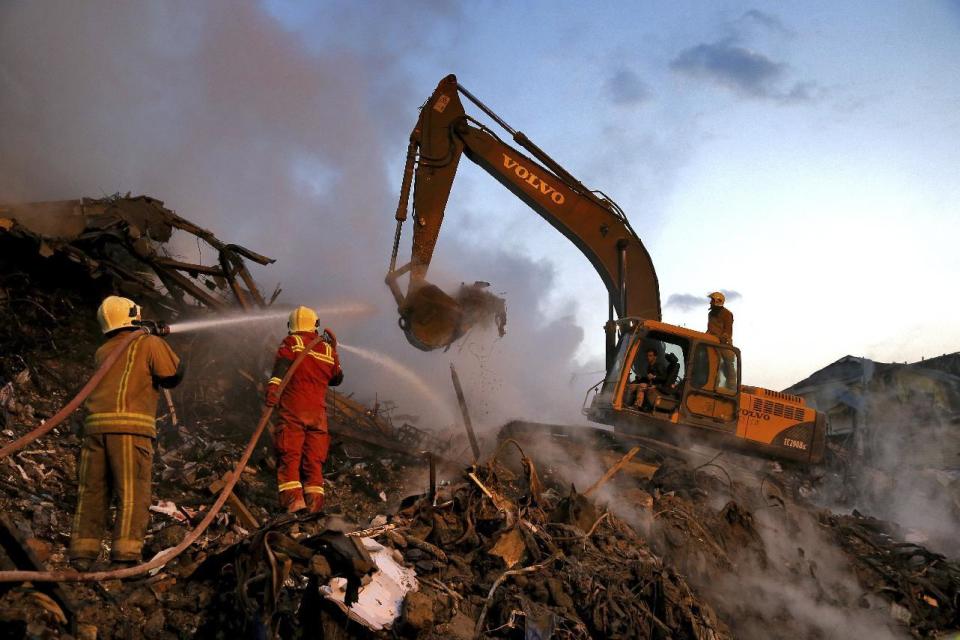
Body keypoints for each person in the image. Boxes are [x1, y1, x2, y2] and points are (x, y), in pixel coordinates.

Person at [69, 296, 183, 570]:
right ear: (134, 316)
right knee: (132, 492)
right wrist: (154, 336)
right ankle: (125, 556)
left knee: (92, 491)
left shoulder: (103, 350)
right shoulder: (149, 343)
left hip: (95, 428)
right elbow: (173, 374)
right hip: (130, 430)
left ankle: (82, 555)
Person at [266, 306, 343, 514]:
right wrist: (334, 350)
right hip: (318, 415)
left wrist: (272, 390)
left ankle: (294, 504)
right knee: (314, 461)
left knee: (290, 454)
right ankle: (314, 507)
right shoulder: (327, 350)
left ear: (291, 325)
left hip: (294, 410)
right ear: (315, 324)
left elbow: (279, 370)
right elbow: (337, 379)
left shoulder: (292, 342)